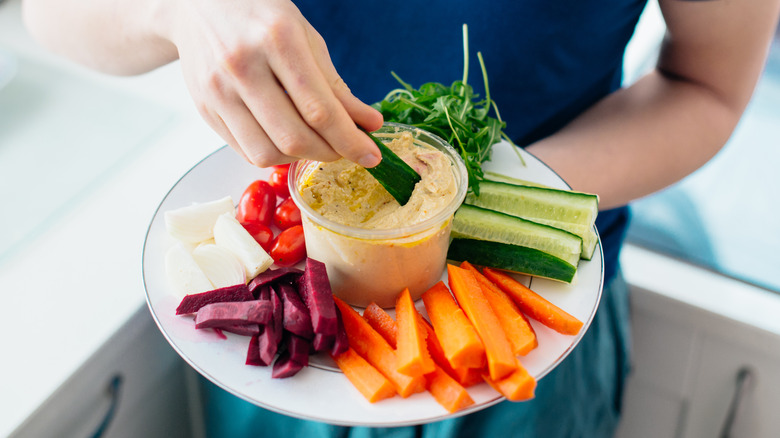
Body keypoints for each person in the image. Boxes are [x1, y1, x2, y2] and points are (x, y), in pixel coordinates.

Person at [21, 0, 780, 436]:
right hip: (293, 343)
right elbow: (53, 16)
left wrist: (483, 206)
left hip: (522, 347)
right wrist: (178, 8)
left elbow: (707, 86)